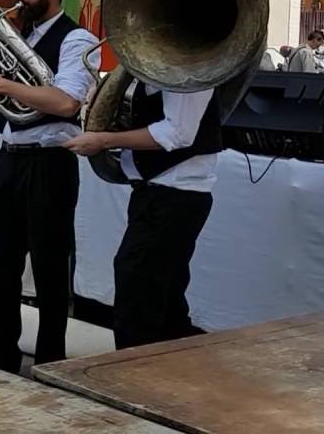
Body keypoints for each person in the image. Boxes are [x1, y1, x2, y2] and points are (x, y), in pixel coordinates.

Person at [0, 0, 100, 373]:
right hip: (10, 157)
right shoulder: (16, 36)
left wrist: (4, 85)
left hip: (50, 162)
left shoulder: (75, 38)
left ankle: (50, 361)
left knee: (48, 266)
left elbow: (66, 102)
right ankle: (1, 354)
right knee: (1, 263)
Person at [63, 80, 220, 349]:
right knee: (162, 296)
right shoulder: (164, 71)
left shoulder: (191, 71)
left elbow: (177, 132)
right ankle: (163, 372)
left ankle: (131, 375)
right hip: (158, 191)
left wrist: (104, 139)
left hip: (175, 193)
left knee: (139, 291)